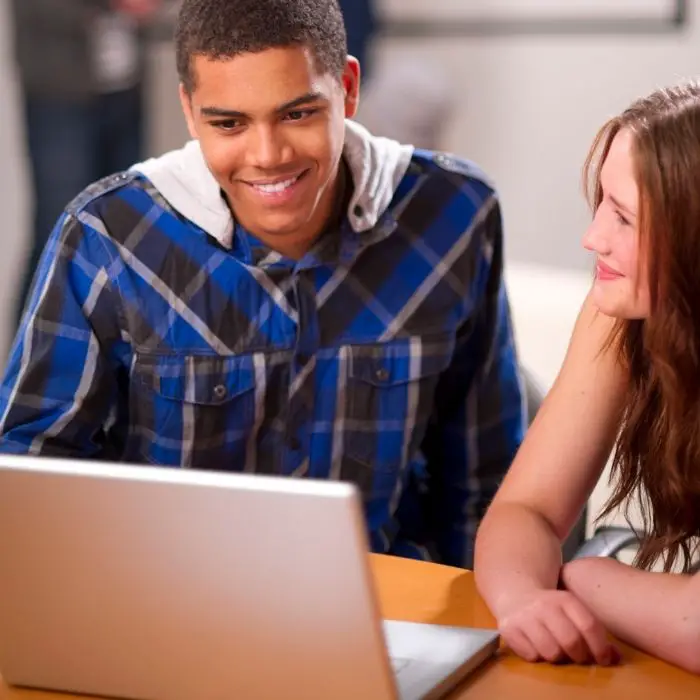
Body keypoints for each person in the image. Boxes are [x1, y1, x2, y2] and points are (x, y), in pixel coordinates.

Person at [0, 0, 525, 569]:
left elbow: (483, 480)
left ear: (348, 89)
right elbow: (28, 479)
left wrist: (475, 631)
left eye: (297, 114)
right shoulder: (108, 237)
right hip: (166, 609)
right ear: (189, 109)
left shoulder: (455, 215)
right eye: (228, 123)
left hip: (393, 611)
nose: (268, 156)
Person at [474, 79, 700, 674]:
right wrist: (522, 597)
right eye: (602, 201)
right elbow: (526, 510)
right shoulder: (619, 311)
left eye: (624, 217)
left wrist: (585, 575)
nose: (593, 237)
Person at [9, 0, 162, 326]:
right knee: (59, 231)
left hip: (123, 87)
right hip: (60, 94)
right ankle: (30, 366)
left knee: (124, 233)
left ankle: (107, 362)